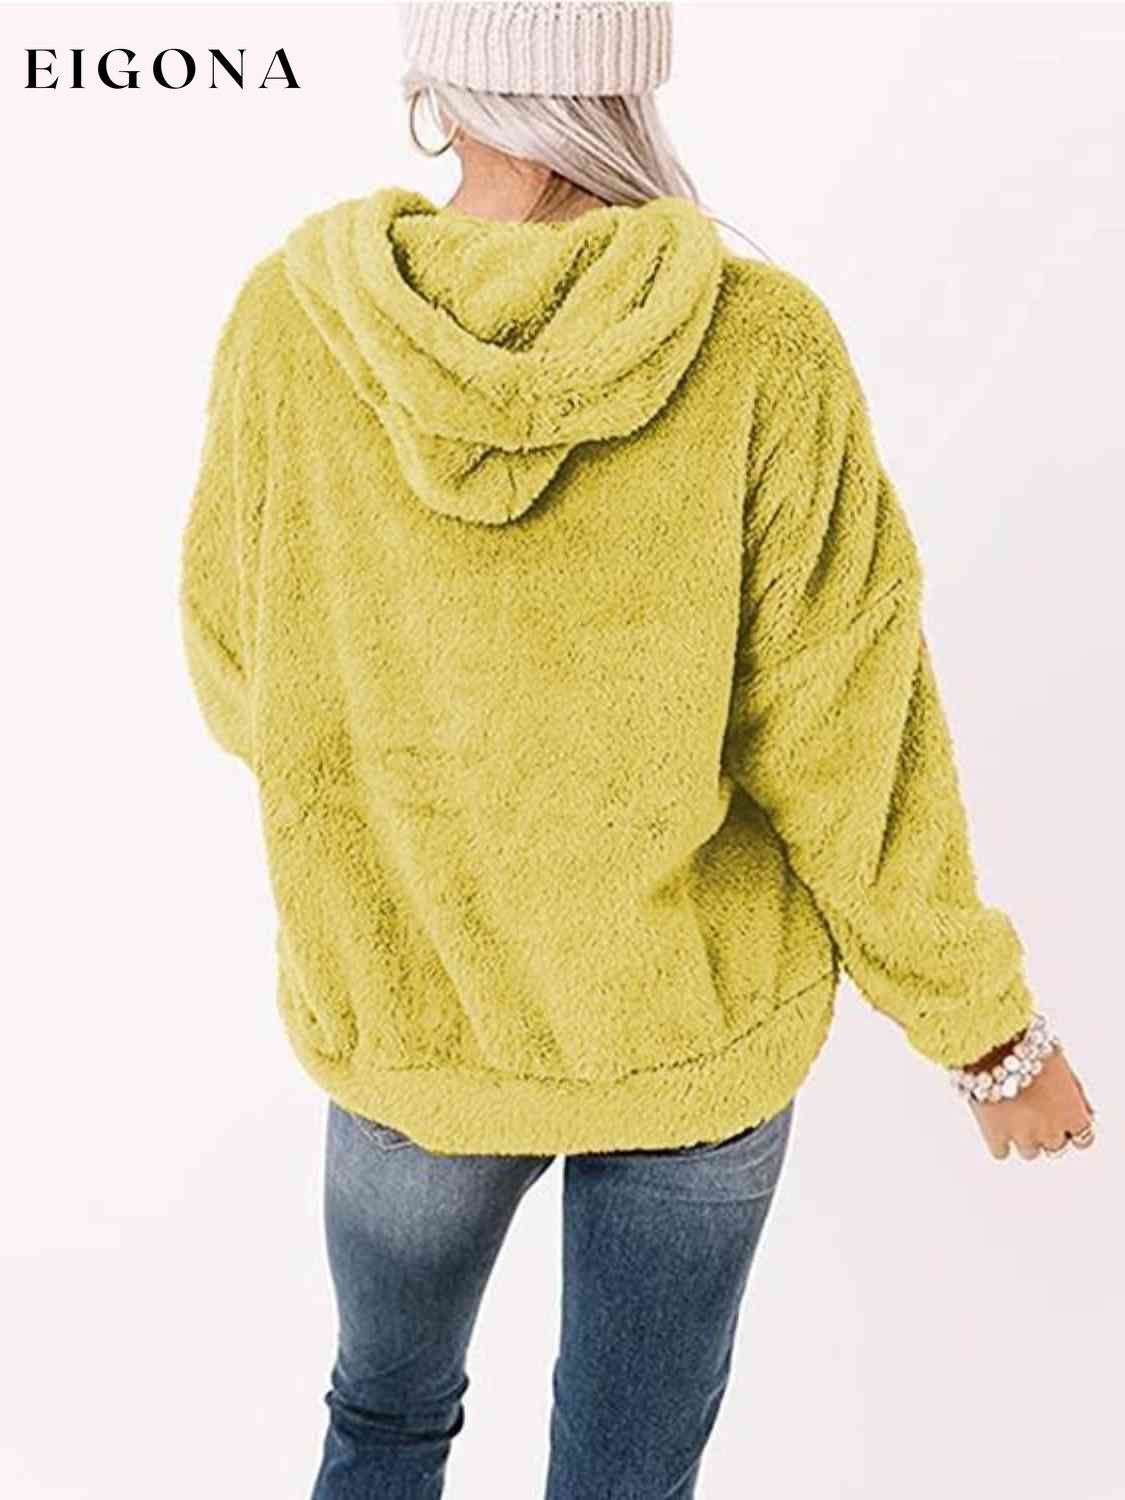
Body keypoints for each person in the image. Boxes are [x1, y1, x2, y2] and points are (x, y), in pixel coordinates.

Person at [178, 3, 1097, 1496]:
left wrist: (419, 785)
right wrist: (990, 1037)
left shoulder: (295, 324)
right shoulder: (760, 346)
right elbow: (847, 743)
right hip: (690, 1031)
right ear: (627, 87)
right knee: (626, 1474)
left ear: (438, 87)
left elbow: (238, 670)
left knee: (382, 1418)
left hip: (411, 1021)